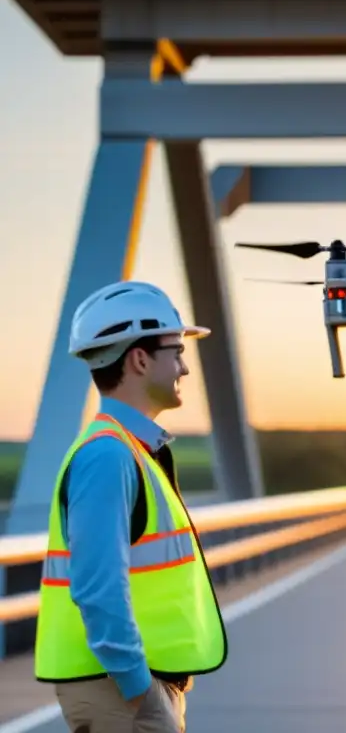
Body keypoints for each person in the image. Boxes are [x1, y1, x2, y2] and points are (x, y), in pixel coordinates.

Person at [34, 281, 228, 733]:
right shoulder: (109, 455)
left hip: (124, 690)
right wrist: (140, 690)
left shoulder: (128, 449)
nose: (183, 367)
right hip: (120, 692)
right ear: (139, 359)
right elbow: (97, 588)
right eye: (176, 351)